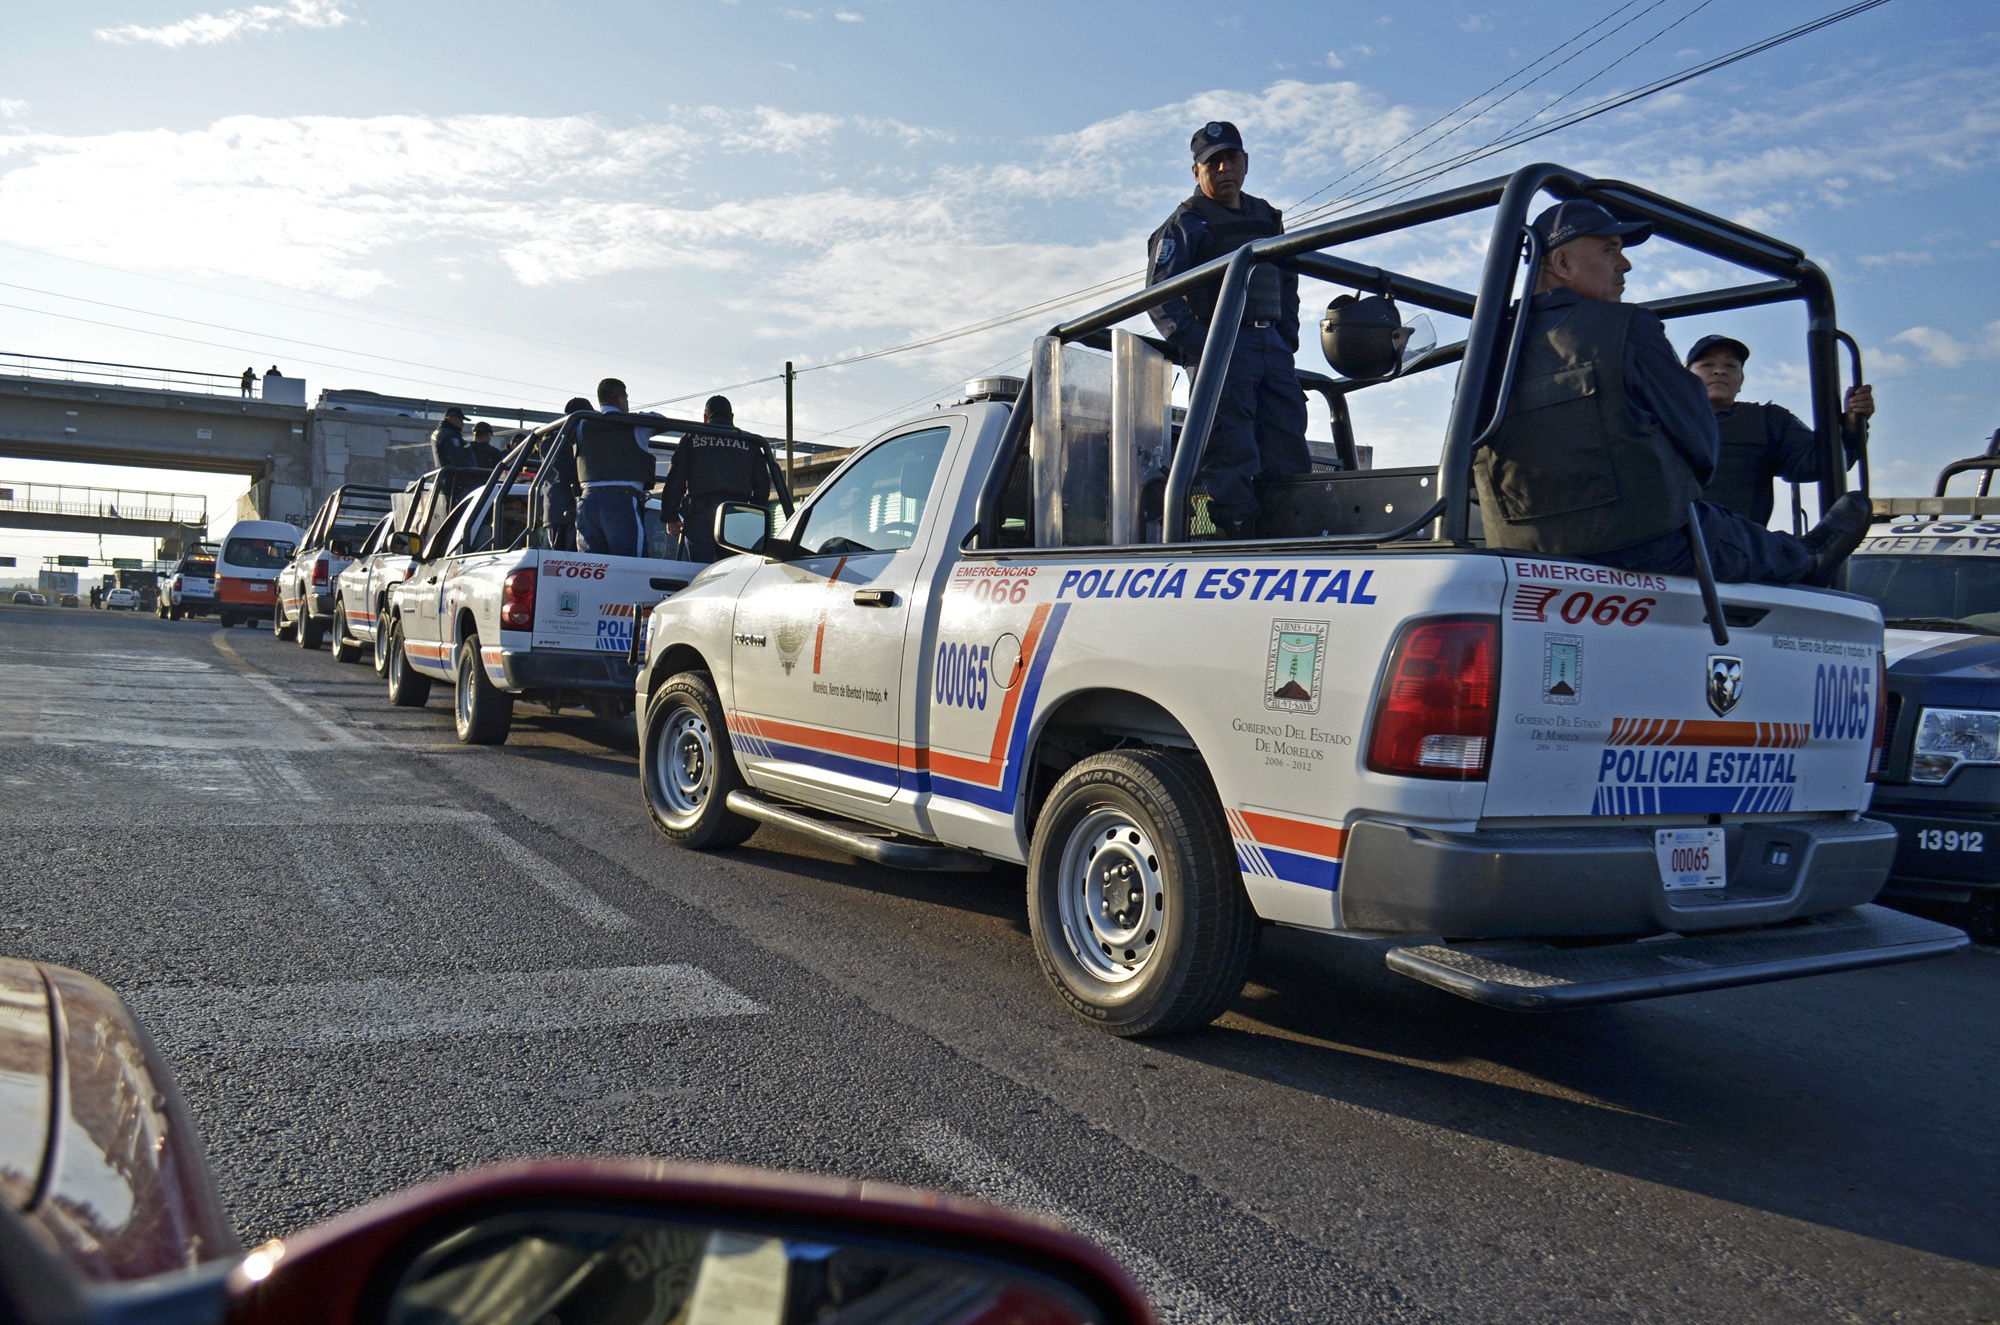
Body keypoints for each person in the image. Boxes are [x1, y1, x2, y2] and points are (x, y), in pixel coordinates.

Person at [1474, 200, 1870, 586]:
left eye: (1731, 364)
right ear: (1562, 263)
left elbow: (1468, 461)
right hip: (1644, 542)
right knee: (1770, 553)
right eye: (1610, 250)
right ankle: (1808, 557)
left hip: (1519, 547)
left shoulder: (1488, 349)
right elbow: (1697, 442)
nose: (1625, 263)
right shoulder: (1627, 327)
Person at [1145, 120, 1312, 538]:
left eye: (1230, 159)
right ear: (1197, 171)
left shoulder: (1266, 216)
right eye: (1212, 163)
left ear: (1246, 162)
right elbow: (1159, 295)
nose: (1224, 169)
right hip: (1221, 347)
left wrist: (1287, 334)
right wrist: (1204, 345)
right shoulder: (1186, 222)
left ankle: (1292, 528)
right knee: (1231, 444)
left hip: (1271, 345)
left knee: (1287, 436)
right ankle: (1237, 533)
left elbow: (1288, 277)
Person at [1684, 334, 1875, 526]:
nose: (1719, 371)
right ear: (1684, 378)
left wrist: (1850, 428)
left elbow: (1819, 463)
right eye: (1707, 365)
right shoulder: (1660, 422)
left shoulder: (1769, 421)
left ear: (1741, 380)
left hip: (1739, 548)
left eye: (1731, 366)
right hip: (1667, 548)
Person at [659, 395, 771, 562]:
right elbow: (762, 487)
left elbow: (676, 479)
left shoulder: (692, 438)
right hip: (736, 515)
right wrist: (751, 515)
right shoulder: (750, 441)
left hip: (699, 516)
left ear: (705, 417)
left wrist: (671, 515)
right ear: (731, 417)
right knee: (733, 570)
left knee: (699, 572)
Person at [572, 378, 658, 557]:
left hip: (587, 502)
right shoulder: (636, 424)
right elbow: (660, 420)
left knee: (591, 568)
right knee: (629, 565)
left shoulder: (580, 424)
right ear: (620, 399)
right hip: (621, 501)